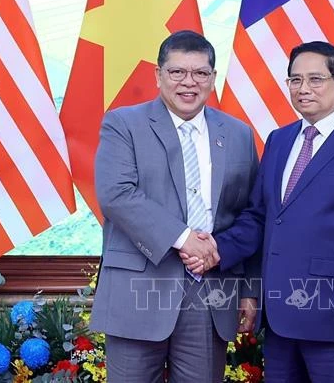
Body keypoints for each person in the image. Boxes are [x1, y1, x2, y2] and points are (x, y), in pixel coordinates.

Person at [183, 41, 334, 382]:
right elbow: (260, 218)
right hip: (280, 321)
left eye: (315, 79)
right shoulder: (280, 140)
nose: (303, 89)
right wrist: (217, 251)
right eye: (295, 80)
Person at [90, 30, 260, 382]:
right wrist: (185, 238)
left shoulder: (239, 133)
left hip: (211, 294)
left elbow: (249, 215)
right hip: (139, 289)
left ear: (213, 79)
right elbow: (116, 194)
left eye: (200, 73)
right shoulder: (124, 123)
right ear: (158, 75)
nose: (189, 82)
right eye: (177, 72)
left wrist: (249, 290)